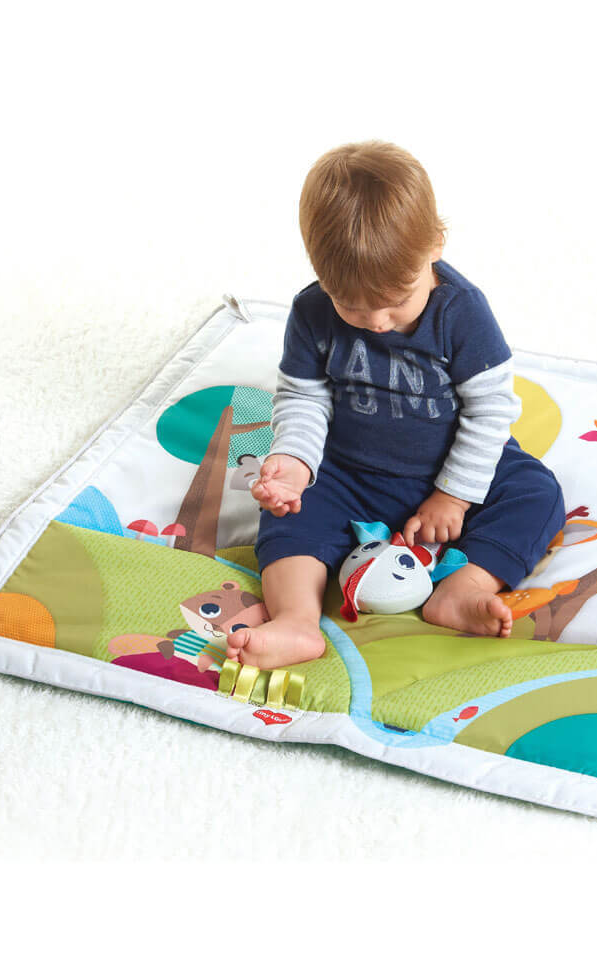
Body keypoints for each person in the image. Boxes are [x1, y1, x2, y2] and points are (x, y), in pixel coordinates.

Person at [228, 140, 565, 668]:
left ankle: (464, 587)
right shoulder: (312, 311)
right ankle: (296, 621)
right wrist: (293, 463)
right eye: (351, 306)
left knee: (536, 493)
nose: (378, 323)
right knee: (289, 516)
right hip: (348, 472)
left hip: (447, 470)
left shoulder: (462, 313)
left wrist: (453, 497)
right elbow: (303, 397)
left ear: (435, 245)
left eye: (397, 301)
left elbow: (490, 412)